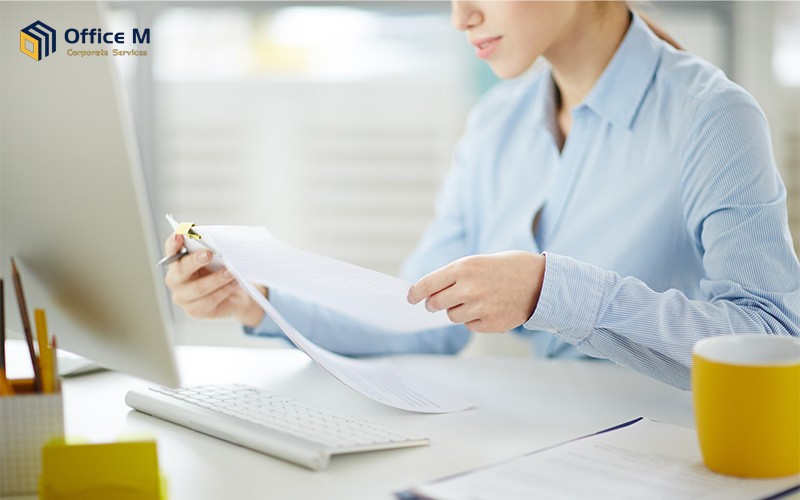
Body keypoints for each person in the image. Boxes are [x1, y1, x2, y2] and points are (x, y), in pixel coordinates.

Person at [164, 1, 800, 390]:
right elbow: (421, 315)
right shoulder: (498, 123)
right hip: (542, 450)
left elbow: (775, 342)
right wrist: (258, 302)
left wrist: (553, 289)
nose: (458, 16)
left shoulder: (712, 119)